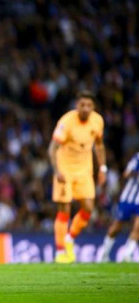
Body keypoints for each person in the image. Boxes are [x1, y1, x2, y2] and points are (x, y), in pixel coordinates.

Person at [48, 90, 106, 263]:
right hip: (64, 169)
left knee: (88, 208)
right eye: (82, 105)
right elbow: (52, 149)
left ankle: (69, 238)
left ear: (93, 107)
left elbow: (99, 146)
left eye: (89, 105)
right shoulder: (66, 122)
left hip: (84, 170)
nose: (86, 108)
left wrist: (102, 168)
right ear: (76, 105)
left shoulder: (97, 121)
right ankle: (60, 253)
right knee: (64, 209)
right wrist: (57, 170)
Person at [101, 152, 139, 262]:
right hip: (129, 197)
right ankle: (104, 254)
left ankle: (127, 255)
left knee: (138, 227)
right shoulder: (137, 157)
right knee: (117, 226)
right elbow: (126, 174)